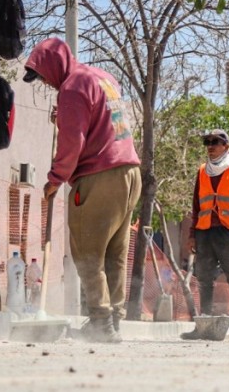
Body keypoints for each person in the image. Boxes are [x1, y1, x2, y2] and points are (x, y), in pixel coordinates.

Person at [23, 38, 141, 343]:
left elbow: (72, 143)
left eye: (43, 75)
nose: (46, 83)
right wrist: (64, 116)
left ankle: (101, 322)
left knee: (88, 251)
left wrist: (55, 178)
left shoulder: (72, 87)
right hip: (129, 172)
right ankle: (113, 318)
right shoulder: (103, 78)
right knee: (115, 252)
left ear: (54, 65)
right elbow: (101, 123)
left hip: (100, 177)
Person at [181, 129, 229, 342]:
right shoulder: (202, 171)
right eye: (207, 142)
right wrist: (192, 234)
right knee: (203, 278)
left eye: (215, 142)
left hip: (228, 232)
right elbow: (196, 205)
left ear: (226, 146)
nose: (210, 146)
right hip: (204, 232)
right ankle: (203, 326)